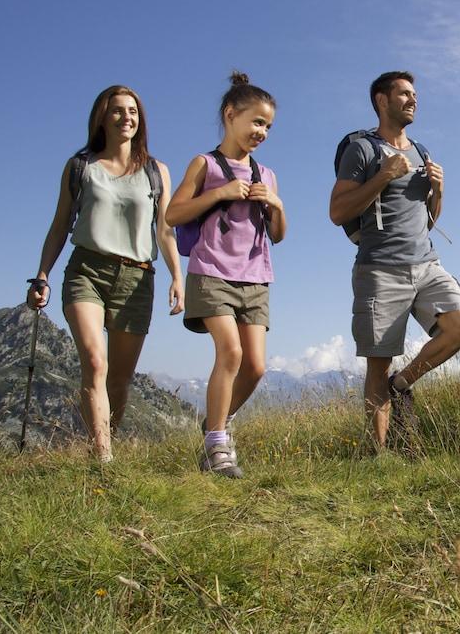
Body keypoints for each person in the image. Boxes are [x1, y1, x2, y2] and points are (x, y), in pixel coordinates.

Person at [27, 85, 184, 463]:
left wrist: (178, 276)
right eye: (117, 110)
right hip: (87, 271)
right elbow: (60, 225)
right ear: (102, 117)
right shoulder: (81, 167)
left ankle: (103, 441)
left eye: (132, 111)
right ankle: (103, 458)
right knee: (95, 363)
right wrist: (42, 274)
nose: (126, 117)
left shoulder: (155, 171)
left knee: (119, 379)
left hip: (137, 279)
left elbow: (165, 229)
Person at [330, 71, 460, 452]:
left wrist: (439, 191)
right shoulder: (362, 150)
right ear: (382, 100)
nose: (413, 100)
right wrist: (382, 177)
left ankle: (401, 385)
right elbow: (337, 210)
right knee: (377, 362)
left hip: (426, 263)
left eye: (415, 95)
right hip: (379, 268)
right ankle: (378, 458)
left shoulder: (422, 151)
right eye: (405, 94)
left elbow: (428, 219)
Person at [166, 72, 286, 478]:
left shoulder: (266, 174)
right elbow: (173, 214)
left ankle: (215, 424)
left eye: (268, 126)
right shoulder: (205, 164)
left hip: (255, 277)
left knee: (255, 367)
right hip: (211, 271)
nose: (262, 132)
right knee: (230, 352)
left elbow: (280, 235)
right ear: (230, 114)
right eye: (256, 121)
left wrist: (276, 205)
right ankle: (217, 446)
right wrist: (219, 193)